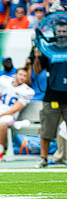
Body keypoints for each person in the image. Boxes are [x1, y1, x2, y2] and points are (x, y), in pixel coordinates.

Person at [32, 19, 67, 168]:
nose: (61, 34)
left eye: (64, 31)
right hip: (52, 95)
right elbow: (37, 71)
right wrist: (37, 56)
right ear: (54, 32)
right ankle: (43, 158)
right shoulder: (48, 49)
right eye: (59, 31)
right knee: (47, 130)